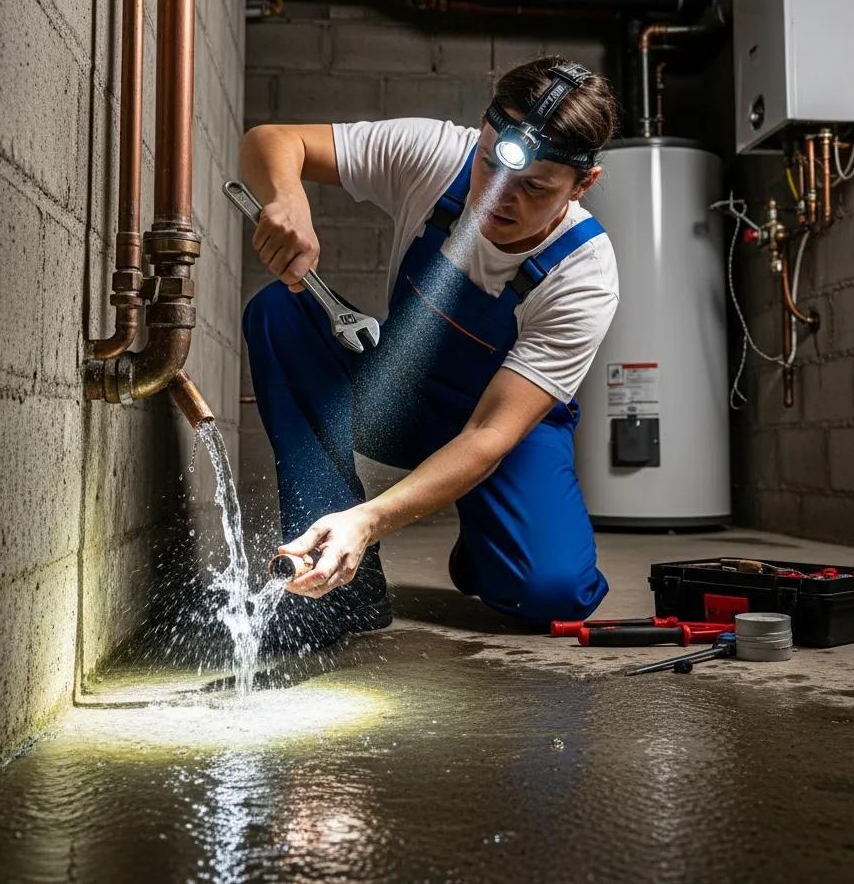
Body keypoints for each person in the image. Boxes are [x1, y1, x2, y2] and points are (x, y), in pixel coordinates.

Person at [240, 55, 620, 652]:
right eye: (491, 164)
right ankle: (337, 579)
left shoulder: (584, 276)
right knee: (279, 313)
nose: (499, 196)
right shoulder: (437, 155)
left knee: (551, 594)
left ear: (583, 184)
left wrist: (372, 519)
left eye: (534, 187)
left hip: (501, 431)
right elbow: (272, 140)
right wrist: (288, 199)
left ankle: (486, 541)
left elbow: (490, 436)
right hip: (398, 393)